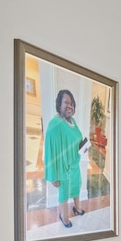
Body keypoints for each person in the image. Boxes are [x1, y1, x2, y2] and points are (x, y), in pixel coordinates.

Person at [44, 89, 86, 228]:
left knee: (76, 187)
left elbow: (76, 139)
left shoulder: (71, 120)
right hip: (63, 168)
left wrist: (84, 146)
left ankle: (77, 208)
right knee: (64, 193)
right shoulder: (55, 124)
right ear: (59, 104)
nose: (70, 106)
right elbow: (50, 151)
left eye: (72, 103)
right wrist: (52, 176)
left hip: (74, 165)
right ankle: (64, 216)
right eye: (66, 102)